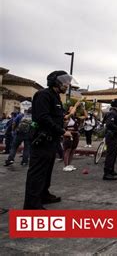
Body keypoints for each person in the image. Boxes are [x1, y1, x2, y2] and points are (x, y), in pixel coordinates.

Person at [24, 70, 72, 209]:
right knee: (37, 173)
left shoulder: (56, 97)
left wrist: (63, 120)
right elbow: (43, 118)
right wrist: (62, 131)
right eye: (64, 81)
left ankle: (43, 194)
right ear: (56, 82)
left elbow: (55, 117)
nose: (67, 84)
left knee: (47, 171)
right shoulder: (43, 95)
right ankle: (32, 206)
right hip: (42, 140)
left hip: (52, 141)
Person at [103, 98, 117, 181]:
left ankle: (111, 170)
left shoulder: (114, 113)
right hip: (111, 136)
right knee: (110, 155)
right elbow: (109, 124)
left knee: (114, 154)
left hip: (114, 136)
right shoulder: (113, 113)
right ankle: (107, 173)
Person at [62, 101, 85, 172]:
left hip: (75, 135)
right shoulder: (66, 116)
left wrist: (83, 108)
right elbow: (71, 113)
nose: (73, 110)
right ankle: (65, 166)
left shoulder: (75, 118)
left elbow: (85, 116)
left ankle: (69, 164)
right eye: (71, 109)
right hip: (68, 135)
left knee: (73, 150)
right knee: (68, 149)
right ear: (68, 110)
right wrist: (75, 105)